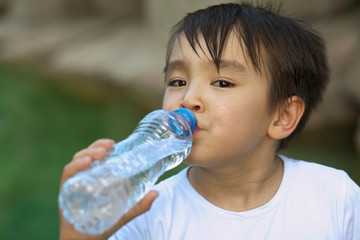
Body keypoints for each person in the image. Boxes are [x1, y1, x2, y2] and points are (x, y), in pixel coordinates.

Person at [58, 2, 360, 240]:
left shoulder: (334, 196)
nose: (188, 99)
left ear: (282, 116)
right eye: (177, 81)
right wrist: (77, 237)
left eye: (222, 82)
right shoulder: (147, 210)